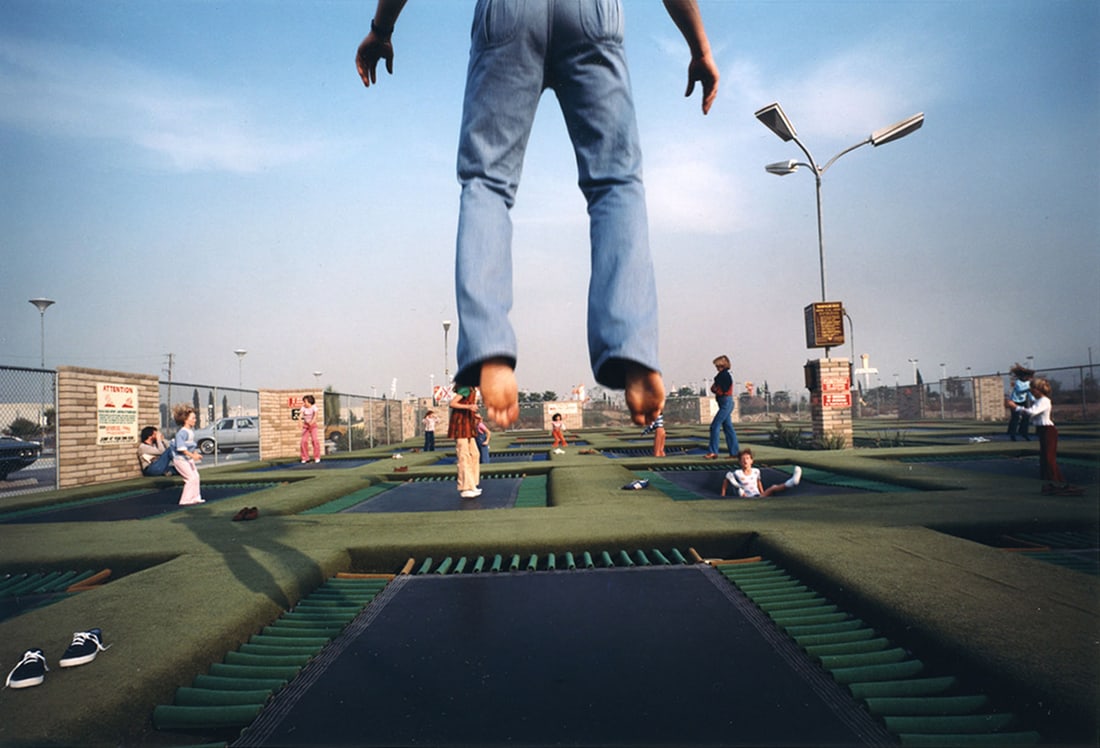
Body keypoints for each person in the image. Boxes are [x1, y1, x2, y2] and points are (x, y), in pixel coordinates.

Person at [356, 0, 719, 429]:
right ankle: (632, 349)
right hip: (593, 14)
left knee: (487, 182)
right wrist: (699, 48)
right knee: (615, 184)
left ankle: (489, 349)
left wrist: (382, 29)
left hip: (508, 14)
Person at [1005, 378, 1082, 495]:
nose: (1030, 391)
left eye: (1032, 388)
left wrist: (1015, 407)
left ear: (1038, 390)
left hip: (1048, 431)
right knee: (1044, 458)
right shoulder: (1038, 400)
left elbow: (1031, 412)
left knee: (1049, 458)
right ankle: (1049, 483)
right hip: (1042, 430)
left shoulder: (1044, 401)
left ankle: (1058, 483)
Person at [721, 448, 801, 498]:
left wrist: (762, 493)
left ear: (751, 461)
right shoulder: (737, 473)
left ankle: (793, 481)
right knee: (740, 490)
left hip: (758, 496)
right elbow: (726, 480)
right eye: (743, 459)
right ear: (740, 462)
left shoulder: (756, 471)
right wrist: (723, 495)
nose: (745, 461)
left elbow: (758, 482)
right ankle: (740, 490)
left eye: (747, 459)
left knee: (773, 487)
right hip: (746, 497)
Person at [448, 385, 481, 498]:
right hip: (460, 424)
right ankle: (465, 487)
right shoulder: (466, 389)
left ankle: (472, 484)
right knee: (464, 455)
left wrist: (474, 414)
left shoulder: (473, 390)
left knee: (475, 454)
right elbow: (453, 403)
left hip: (468, 424)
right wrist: (469, 407)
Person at [705, 355, 740, 459]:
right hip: (725, 402)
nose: (716, 367)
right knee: (728, 427)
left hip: (725, 402)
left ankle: (713, 451)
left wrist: (716, 389)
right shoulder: (721, 375)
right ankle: (734, 453)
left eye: (717, 366)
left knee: (715, 426)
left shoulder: (724, 376)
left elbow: (723, 390)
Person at [171, 404, 204, 506]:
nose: (195, 420)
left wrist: (194, 453)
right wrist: (193, 456)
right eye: (193, 418)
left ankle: (195, 497)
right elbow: (181, 449)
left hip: (187, 459)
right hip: (180, 459)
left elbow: (190, 446)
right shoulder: (182, 433)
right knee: (190, 478)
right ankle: (185, 500)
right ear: (186, 420)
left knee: (196, 476)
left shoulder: (190, 432)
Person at [1006, 363, 1034, 441]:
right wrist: (1029, 388)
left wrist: (1033, 399)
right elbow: (1019, 390)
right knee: (1015, 418)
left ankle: (1023, 432)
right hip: (1014, 401)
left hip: (1023, 401)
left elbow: (1029, 392)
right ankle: (1012, 434)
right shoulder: (1018, 382)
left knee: (1026, 416)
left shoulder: (1028, 383)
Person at [300, 394, 321, 463]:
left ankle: (317, 457)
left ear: (309, 402)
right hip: (306, 426)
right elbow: (300, 415)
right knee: (303, 441)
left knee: (315, 440)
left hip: (313, 426)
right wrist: (300, 421)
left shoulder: (314, 407)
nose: (304, 403)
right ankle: (305, 458)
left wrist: (311, 422)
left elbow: (315, 416)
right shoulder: (303, 407)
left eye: (305, 402)